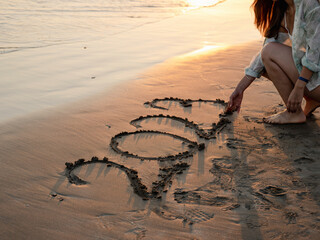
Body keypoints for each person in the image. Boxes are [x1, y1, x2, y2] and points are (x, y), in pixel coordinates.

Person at [226, 0, 320, 124]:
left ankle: (294, 113)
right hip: (315, 82)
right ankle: (312, 99)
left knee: (269, 53)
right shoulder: (283, 10)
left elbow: (315, 52)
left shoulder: (309, 4)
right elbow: (265, 52)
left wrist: (299, 88)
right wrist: (240, 89)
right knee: (265, 62)